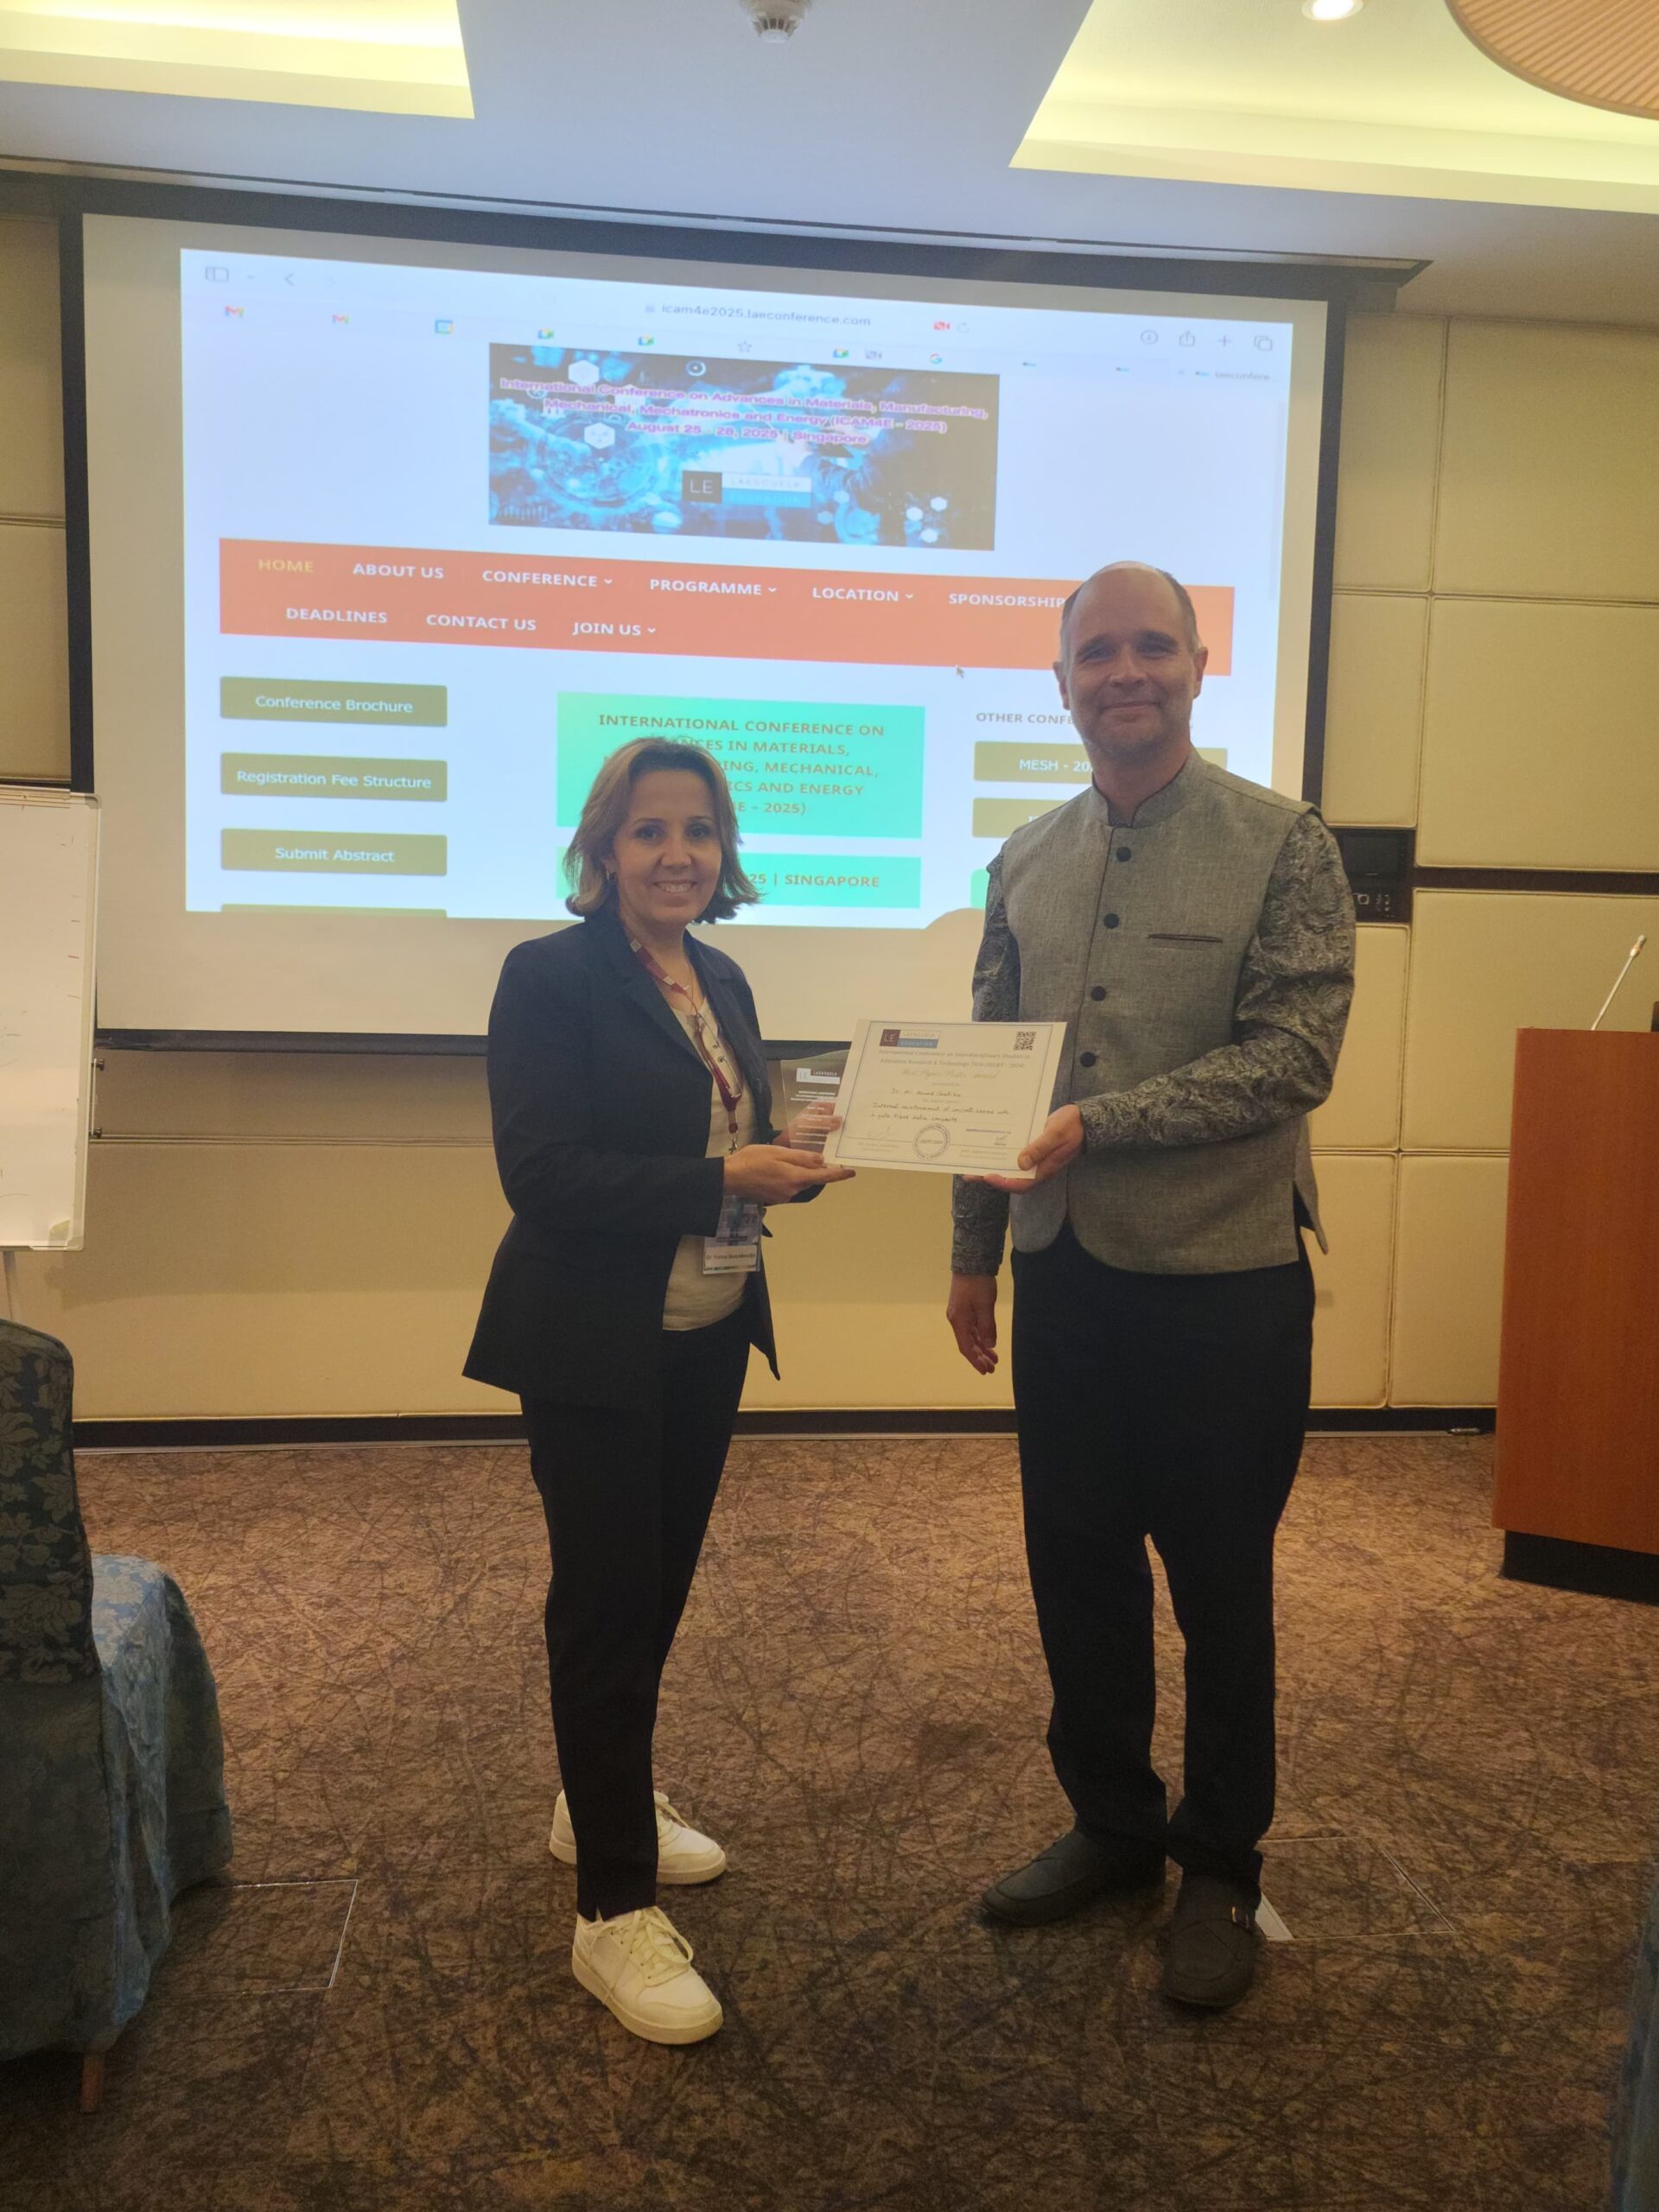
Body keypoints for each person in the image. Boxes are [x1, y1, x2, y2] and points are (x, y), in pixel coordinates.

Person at [947, 562, 1355, 2010]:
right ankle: (1115, 1825)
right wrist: (971, 1252)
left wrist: (1098, 1126)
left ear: (1197, 666)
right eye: (1097, 653)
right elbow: (988, 1073)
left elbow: (1294, 1058)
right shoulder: (1025, 856)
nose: (1124, 672)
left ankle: (1222, 1862)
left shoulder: (1283, 844)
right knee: (1077, 1567)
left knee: (1221, 1582)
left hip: (1223, 1283)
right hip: (1064, 1278)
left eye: (1151, 648)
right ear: (1062, 683)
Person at [465, 738, 852, 2045]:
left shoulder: (721, 975)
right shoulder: (548, 976)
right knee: (604, 1603)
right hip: (590, 1340)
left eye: (699, 830)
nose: (678, 854)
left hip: (708, 1329)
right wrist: (725, 1179)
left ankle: (599, 1802)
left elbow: (726, 1137)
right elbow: (542, 1175)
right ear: (603, 849)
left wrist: (794, 1156)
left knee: (658, 1587)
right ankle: (610, 1910)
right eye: (649, 831)